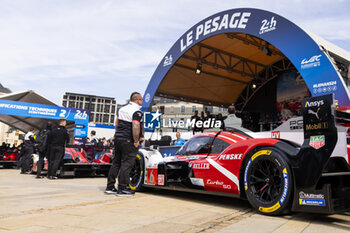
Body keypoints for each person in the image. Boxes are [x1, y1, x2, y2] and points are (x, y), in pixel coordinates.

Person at [105, 92, 143, 196]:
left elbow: (116, 123)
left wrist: (117, 135)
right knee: (127, 164)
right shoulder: (137, 111)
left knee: (116, 163)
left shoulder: (121, 109)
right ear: (138, 100)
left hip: (118, 138)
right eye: (141, 100)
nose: (142, 102)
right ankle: (122, 188)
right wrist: (136, 141)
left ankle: (110, 187)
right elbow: (135, 126)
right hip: (128, 140)